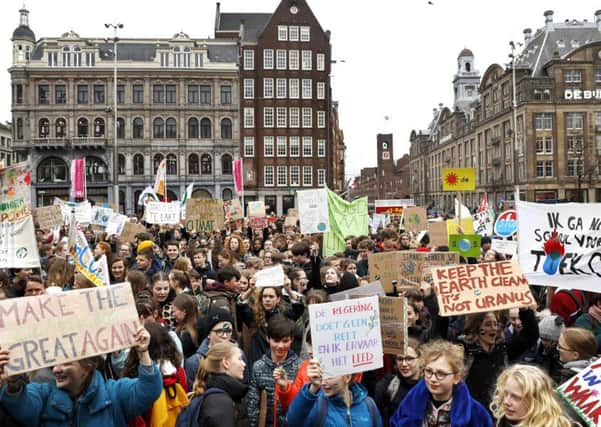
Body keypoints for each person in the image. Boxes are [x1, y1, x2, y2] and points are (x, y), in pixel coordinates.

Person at [0, 326, 162, 427]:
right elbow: (21, 407)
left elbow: (149, 390)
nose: (56, 369)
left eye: (66, 364)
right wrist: (13, 381)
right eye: (54, 363)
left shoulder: (114, 395)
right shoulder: (43, 395)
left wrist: (143, 352)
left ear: (87, 367)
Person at [390, 339, 492, 427]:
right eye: (429, 371)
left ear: (456, 377)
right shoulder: (410, 404)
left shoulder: (476, 414)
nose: (433, 379)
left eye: (441, 373)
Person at [286, 360, 382, 427]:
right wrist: (312, 388)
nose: (323, 382)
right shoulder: (318, 405)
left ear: (347, 377)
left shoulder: (369, 405)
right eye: (321, 376)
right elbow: (293, 422)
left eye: (329, 376)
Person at [247, 315, 302, 427]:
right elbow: (253, 403)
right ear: (268, 338)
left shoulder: (300, 366)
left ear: (291, 339)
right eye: (276, 341)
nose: (280, 346)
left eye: (285, 341)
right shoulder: (258, 366)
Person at [490, 364, 571, 427]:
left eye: (516, 397)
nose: (506, 402)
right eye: (505, 394)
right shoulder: (500, 422)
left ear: (537, 400)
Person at [190, 341, 249, 427]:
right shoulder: (220, 402)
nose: (244, 364)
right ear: (226, 363)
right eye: (239, 359)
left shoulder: (225, 395)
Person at [375, 338, 422, 427]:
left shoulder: (429, 385)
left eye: (409, 359)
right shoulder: (390, 382)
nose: (404, 364)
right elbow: (373, 397)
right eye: (400, 359)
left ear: (420, 359)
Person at [173, 293, 202, 358]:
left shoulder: (186, 335)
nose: (173, 314)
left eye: (174, 311)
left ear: (184, 311)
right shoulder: (183, 327)